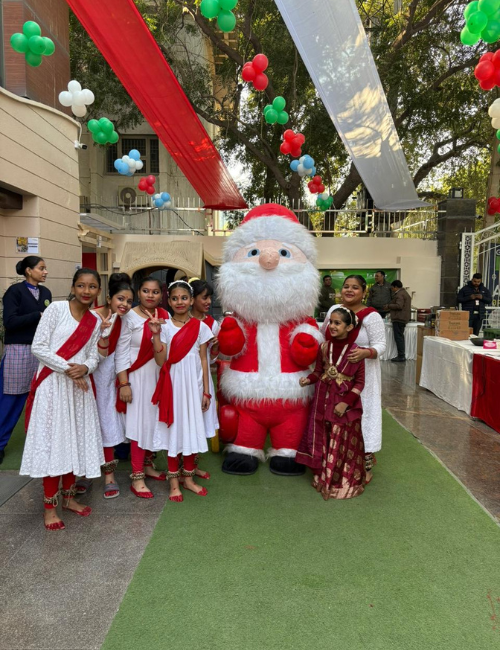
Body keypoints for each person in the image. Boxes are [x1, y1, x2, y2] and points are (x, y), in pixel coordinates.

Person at [20, 268, 106, 531]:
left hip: (78, 389)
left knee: (74, 441)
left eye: (92, 287)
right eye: (81, 285)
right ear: (72, 287)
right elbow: (38, 347)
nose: (86, 291)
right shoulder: (56, 310)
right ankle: (50, 508)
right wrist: (70, 369)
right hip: (53, 386)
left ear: (98, 291)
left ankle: (69, 499)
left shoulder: (95, 320)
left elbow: (93, 355)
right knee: (54, 442)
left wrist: (86, 368)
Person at [149, 281, 213, 502]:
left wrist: (206, 391)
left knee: (191, 429)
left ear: (191, 300)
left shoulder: (201, 327)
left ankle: (188, 479)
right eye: (174, 298)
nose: (179, 302)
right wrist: (156, 335)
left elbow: (203, 360)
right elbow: (160, 361)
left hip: (194, 386)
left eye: (184, 298)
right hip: (173, 386)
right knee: (173, 432)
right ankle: (174, 483)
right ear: (169, 301)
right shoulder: (164, 327)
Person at [75, 273, 135, 498]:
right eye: (120, 299)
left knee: (106, 421)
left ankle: (109, 476)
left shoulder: (125, 321)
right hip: (85, 375)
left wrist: (123, 383)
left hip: (107, 377)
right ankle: (84, 474)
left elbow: (122, 354)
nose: (125, 304)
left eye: (129, 301)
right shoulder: (90, 316)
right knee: (85, 423)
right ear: (109, 298)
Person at [296, 307, 365, 499]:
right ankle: (322, 475)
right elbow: (318, 372)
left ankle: (340, 480)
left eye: (337, 323)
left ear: (349, 327)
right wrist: (308, 380)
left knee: (340, 436)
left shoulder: (356, 352)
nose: (332, 326)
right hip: (322, 399)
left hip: (343, 401)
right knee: (323, 435)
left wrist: (346, 404)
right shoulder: (324, 347)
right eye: (331, 322)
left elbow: (360, 383)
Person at [321, 275, 386, 482]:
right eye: (346, 286)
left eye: (355, 287)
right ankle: (335, 459)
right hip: (334, 376)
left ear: (364, 292)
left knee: (361, 414)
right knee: (334, 413)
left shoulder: (371, 316)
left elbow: (381, 345)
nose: (349, 290)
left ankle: (365, 464)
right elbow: (324, 334)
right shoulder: (334, 310)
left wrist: (366, 352)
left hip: (362, 375)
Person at [115, 276, 169, 498]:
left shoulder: (164, 316)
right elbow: (120, 352)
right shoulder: (128, 316)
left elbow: (164, 353)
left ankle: (147, 466)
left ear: (161, 295)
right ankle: (137, 477)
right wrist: (124, 383)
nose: (150, 295)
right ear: (138, 293)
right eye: (146, 291)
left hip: (158, 377)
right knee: (138, 424)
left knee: (152, 422)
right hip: (135, 378)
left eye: (155, 292)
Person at [0, 256, 51, 464]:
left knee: (40, 399)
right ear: (29, 271)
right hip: (19, 350)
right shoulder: (15, 292)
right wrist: (38, 315)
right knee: (12, 400)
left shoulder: (46, 293)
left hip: (40, 351)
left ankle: (39, 444)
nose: (45, 272)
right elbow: (10, 322)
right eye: (41, 268)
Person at [190, 279, 220, 480]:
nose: (209, 301)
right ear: (192, 299)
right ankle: (182, 467)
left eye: (210, 297)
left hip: (203, 378)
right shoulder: (178, 320)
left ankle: (193, 466)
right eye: (204, 297)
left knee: (199, 420)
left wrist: (215, 347)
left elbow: (212, 359)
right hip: (183, 376)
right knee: (185, 420)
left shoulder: (212, 324)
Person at [384, 280, 411, 363]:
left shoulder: (400, 294)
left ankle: (401, 356)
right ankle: (401, 355)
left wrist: (388, 306)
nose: (392, 289)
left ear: (396, 287)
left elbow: (399, 306)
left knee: (398, 337)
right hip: (402, 318)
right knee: (400, 337)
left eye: (392, 288)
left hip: (399, 318)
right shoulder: (405, 293)